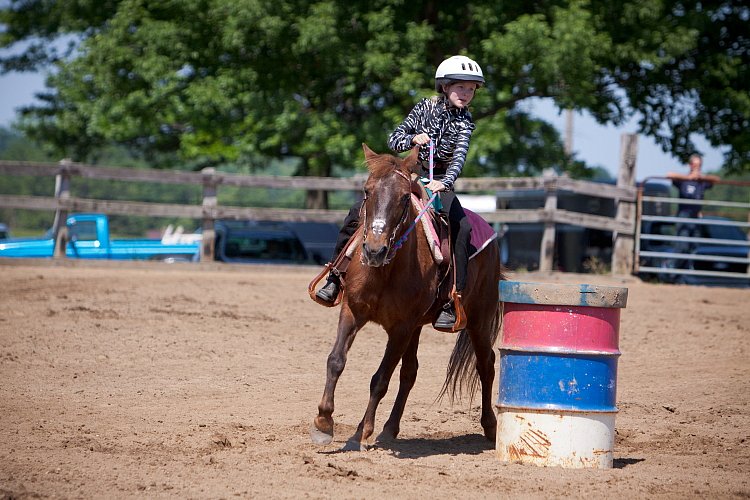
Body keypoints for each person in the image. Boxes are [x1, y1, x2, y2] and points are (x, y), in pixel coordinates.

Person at [316, 55, 484, 330]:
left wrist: (445, 182)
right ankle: (335, 276)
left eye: (471, 89)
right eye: (460, 87)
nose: (466, 94)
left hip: (439, 181)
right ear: (444, 86)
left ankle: (452, 298)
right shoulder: (424, 108)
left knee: (462, 228)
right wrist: (411, 139)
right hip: (409, 173)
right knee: (356, 212)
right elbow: (395, 138)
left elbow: (459, 158)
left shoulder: (466, 123)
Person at [666, 154, 720, 259]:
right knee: (682, 246)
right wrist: (688, 177)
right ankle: (671, 270)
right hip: (684, 215)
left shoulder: (702, 182)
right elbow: (669, 174)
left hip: (696, 216)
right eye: (695, 165)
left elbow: (717, 179)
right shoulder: (683, 180)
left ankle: (687, 271)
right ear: (690, 165)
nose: (697, 168)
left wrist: (702, 177)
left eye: (699, 166)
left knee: (694, 246)